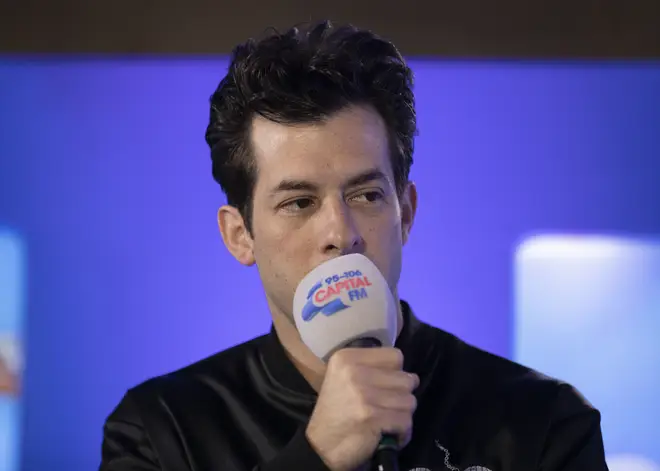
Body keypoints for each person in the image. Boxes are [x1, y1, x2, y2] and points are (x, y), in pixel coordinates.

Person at [99, 21, 609, 471]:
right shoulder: (159, 430)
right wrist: (316, 455)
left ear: (405, 213)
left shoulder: (544, 422)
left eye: (366, 194)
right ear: (240, 235)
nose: (341, 233)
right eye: (299, 202)